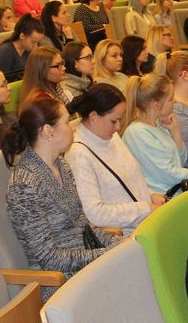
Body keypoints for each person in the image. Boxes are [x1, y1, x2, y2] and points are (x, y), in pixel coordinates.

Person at [3, 96, 120, 299]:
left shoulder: (61, 165)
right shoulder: (24, 184)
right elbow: (49, 258)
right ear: (48, 131)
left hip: (85, 264)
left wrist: (117, 243)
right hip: (61, 281)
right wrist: (105, 253)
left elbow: (83, 226)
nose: (73, 128)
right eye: (67, 122)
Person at [65, 84, 165, 235]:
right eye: (114, 121)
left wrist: (150, 194)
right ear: (93, 116)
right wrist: (144, 209)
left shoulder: (109, 135)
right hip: (127, 235)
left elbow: (130, 178)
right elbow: (94, 213)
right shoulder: (78, 154)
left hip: (147, 221)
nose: (118, 127)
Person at [122, 73, 188, 194]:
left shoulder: (158, 124)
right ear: (156, 105)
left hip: (176, 190)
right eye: (170, 99)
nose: (175, 101)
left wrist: (175, 131)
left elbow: (180, 162)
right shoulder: (137, 133)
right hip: (164, 197)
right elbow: (169, 175)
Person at [19, 46, 71, 111]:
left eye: (62, 63)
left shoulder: (55, 87)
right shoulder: (40, 100)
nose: (64, 68)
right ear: (43, 71)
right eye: (58, 65)